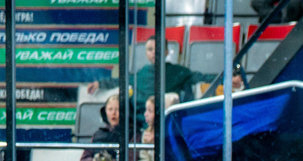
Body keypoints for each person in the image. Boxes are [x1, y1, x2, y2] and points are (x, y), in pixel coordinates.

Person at [88, 38, 241, 117]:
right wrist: (99, 84)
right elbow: (121, 80)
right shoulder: (141, 74)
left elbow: (202, 77)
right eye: (150, 49)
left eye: (158, 48)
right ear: (146, 53)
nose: (154, 52)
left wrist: (228, 78)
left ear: (167, 52)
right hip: (143, 126)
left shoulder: (178, 72)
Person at [62, 94, 133, 161]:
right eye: (110, 109)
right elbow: (85, 157)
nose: (113, 113)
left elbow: (131, 159)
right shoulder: (98, 134)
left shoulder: (133, 134)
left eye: (118, 109)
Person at [133, 92, 181, 161]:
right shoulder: (147, 133)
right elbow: (145, 158)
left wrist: (157, 141)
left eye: (150, 111)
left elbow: (173, 158)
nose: (145, 114)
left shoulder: (172, 132)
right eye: (146, 110)